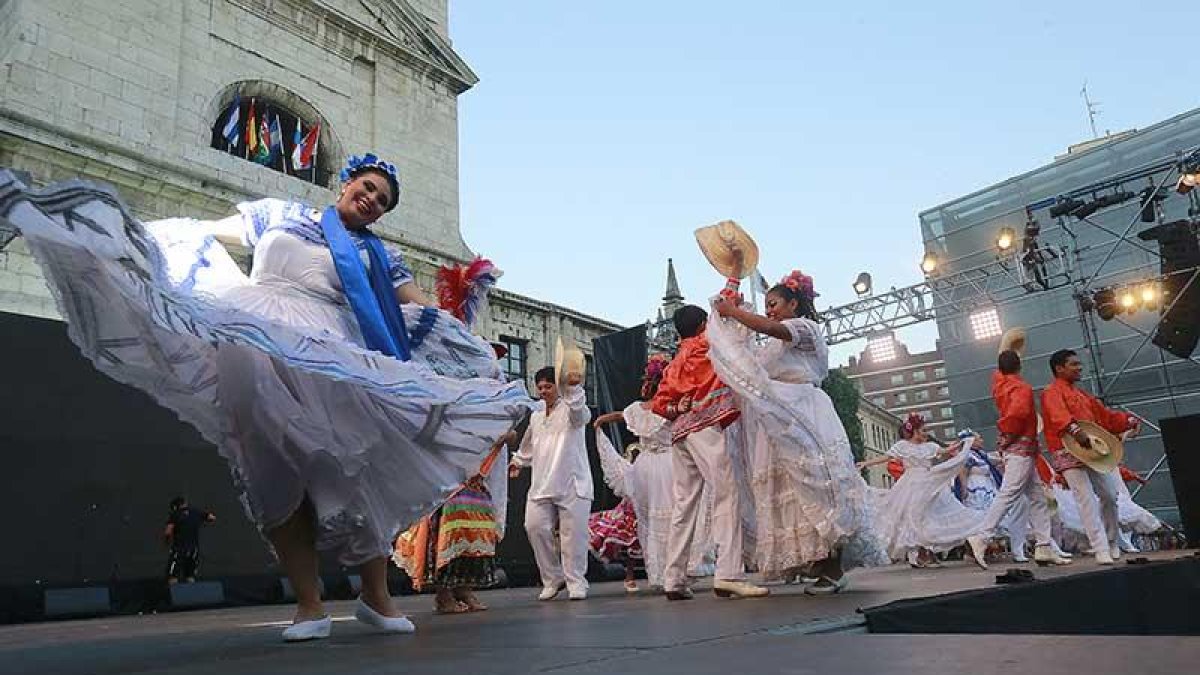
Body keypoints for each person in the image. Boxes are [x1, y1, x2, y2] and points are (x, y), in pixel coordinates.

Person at [0, 158, 531, 642]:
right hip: (254, 340)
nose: (371, 199)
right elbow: (207, 233)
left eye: (382, 201)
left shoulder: (378, 255)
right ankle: (309, 605)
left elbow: (414, 306)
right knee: (272, 468)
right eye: (367, 188)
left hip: (330, 353)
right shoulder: (280, 215)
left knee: (355, 469)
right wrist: (139, 243)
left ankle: (376, 596)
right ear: (346, 183)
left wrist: (469, 341)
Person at [707, 271, 887, 594]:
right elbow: (747, 361)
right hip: (780, 420)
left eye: (774, 303)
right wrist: (732, 318)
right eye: (766, 305)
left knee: (818, 485)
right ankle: (816, 559)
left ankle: (833, 567)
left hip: (805, 412)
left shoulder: (805, 329)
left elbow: (770, 327)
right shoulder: (773, 348)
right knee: (794, 488)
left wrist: (735, 313)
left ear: (793, 302)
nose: (769, 310)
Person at [651, 305, 767, 600]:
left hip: (680, 434)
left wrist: (678, 408)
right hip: (703, 427)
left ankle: (674, 578)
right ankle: (728, 574)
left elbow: (659, 405)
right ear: (704, 324)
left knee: (684, 503)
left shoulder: (675, 360)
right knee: (726, 493)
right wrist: (733, 276)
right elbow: (727, 311)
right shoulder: (706, 344)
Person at [592, 355, 717, 592]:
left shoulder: (642, 409)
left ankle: (665, 571)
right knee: (676, 515)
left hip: (647, 468)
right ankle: (678, 569)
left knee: (657, 518)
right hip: (669, 464)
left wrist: (602, 420)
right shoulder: (667, 406)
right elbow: (621, 415)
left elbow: (620, 415)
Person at [393, 431, 516, 614]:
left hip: (477, 482)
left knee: (474, 536)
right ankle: (443, 594)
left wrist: (502, 434)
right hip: (451, 481)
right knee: (449, 537)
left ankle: (464, 589)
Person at [1040, 349, 1140, 565]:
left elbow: (1106, 418)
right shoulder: (1051, 392)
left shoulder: (1084, 395)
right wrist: (1077, 431)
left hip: (1093, 450)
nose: (1079, 368)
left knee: (1110, 495)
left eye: (1079, 364)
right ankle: (1100, 547)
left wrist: (1127, 420)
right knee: (1085, 498)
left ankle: (1112, 541)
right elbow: (1059, 417)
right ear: (1059, 368)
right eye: (1074, 364)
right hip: (1066, 449)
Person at [975, 349, 1069, 566]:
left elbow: (1002, 384)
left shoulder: (1000, 386)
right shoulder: (1021, 388)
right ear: (1020, 366)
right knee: (1009, 493)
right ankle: (981, 537)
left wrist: (1005, 438)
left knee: (1036, 498)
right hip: (1021, 447)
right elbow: (1017, 415)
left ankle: (1044, 546)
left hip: (1017, 448)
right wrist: (1008, 436)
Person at [860, 415, 990, 569]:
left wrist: (964, 443)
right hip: (910, 484)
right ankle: (920, 555)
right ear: (914, 431)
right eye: (923, 430)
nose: (926, 433)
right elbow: (886, 457)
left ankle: (925, 554)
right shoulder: (902, 446)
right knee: (912, 517)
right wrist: (865, 463)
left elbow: (946, 450)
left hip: (929, 483)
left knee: (930, 516)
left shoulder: (930, 447)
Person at [509, 366, 593, 601]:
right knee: (534, 526)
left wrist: (574, 387)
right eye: (540, 387)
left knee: (573, 535)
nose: (544, 391)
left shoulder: (572, 409)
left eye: (548, 386)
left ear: (559, 386)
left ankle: (576, 581)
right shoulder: (536, 416)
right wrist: (517, 461)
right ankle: (552, 578)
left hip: (572, 481)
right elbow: (528, 446)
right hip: (541, 482)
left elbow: (579, 412)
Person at [164, 497, 216, 584]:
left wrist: (167, 540)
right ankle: (191, 594)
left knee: (173, 575)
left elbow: (168, 531)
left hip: (179, 549)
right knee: (190, 575)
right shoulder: (195, 512)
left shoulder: (175, 514)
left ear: (175, 507)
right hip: (193, 549)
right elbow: (212, 517)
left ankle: (172, 594)